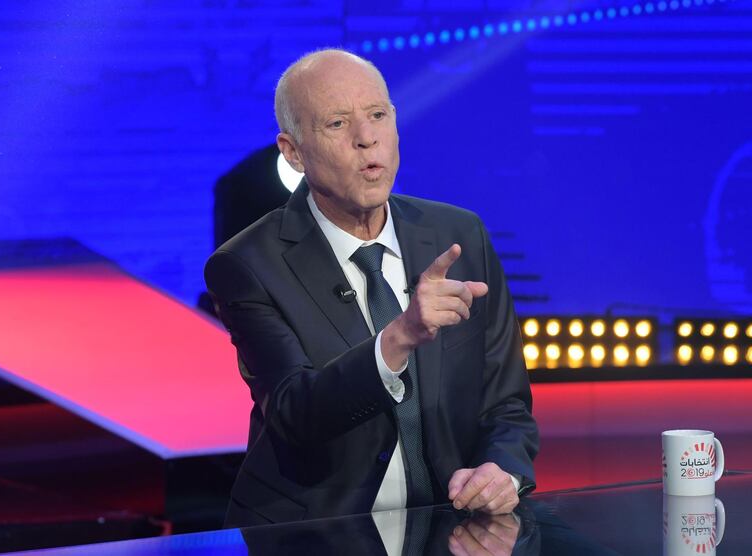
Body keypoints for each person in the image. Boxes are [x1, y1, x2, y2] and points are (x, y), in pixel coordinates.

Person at [204, 48, 538, 527]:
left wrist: (503, 472)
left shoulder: (460, 236)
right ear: (293, 153)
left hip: (451, 518)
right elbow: (297, 414)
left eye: (377, 116)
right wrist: (399, 337)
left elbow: (505, 401)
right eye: (337, 124)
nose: (367, 139)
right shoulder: (247, 264)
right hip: (318, 529)